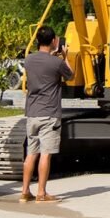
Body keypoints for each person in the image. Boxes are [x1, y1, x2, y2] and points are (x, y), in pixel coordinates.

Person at [21, 25, 73, 203]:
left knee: (31, 153)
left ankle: (25, 191)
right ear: (53, 41)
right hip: (49, 113)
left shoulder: (28, 60)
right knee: (45, 154)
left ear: (37, 41)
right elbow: (70, 75)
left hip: (32, 113)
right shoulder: (56, 63)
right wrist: (65, 57)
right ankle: (41, 193)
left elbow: (42, 66)